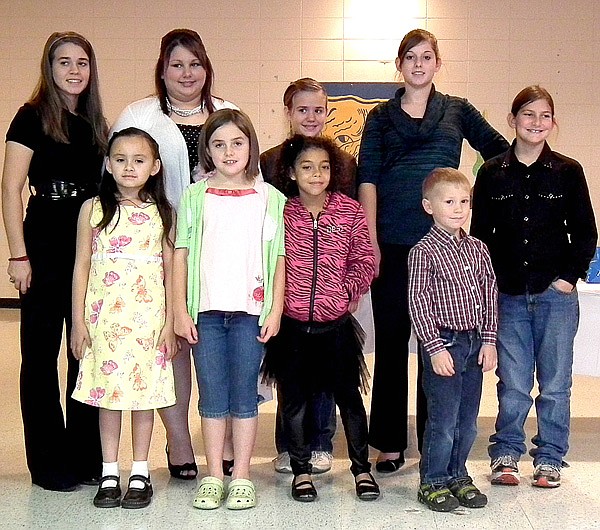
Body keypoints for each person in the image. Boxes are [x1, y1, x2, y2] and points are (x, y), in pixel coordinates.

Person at [357, 28, 509, 471]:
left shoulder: (458, 110)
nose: (418, 65)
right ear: (399, 65)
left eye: (427, 57)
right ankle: (388, 442)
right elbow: (367, 179)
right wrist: (370, 241)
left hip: (445, 249)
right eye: (410, 57)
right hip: (393, 242)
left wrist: (466, 198)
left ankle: (433, 444)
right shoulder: (381, 117)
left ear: (437, 63)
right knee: (389, 344)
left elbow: (500, 151)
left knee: (436, 345)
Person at [112, 28, 238, 479]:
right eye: (177, 64)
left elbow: (247, 177)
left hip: (218, 246)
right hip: (155, 245)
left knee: (210, 343)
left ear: (207, 68)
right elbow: (116, 178)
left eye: (195, 64)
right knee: (171, 345)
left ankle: (217, 442)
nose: (187, 73)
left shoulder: (227, 113)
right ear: (162, 70)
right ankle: (179, 441)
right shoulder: (139, 114)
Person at [471, 85, 597, 489]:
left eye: (545, 116)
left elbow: (584, 231)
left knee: (556, 383)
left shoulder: (568, 170)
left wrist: (567, 278)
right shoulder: (491, 172)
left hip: (554, 295)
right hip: (506, 296)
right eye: (528, 114)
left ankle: (549, 457)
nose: (536, 123)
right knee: (513, 383)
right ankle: (506, 452)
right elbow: (479, 235)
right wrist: (487, 286)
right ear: (513, 120)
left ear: (553, 123)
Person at [1, 31, 107, 491]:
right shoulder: (31, 117)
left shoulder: (95, 121)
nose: (74, 70)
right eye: (64, 62)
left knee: (85, 354)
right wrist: (18, 254)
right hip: (42, 240)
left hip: (88, 241)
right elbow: (10, 189)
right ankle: (47, 464)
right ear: (49, 67)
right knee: (41, 356)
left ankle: (84, 458)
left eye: (82, 62)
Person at [173, 108, 286, 510]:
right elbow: (181, 255)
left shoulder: (270, 197)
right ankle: (214, 475)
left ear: (251, 146)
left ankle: (241, 475)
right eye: (218, 144)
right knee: (212, 396)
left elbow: (278, 258)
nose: (228, 151)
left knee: (244, 396)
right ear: (207, 151)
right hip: (205, 314)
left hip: (249, 313)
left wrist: (275, 309)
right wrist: (179, 310)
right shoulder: (194, 196)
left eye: (237, 142)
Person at [263, 134, 379, 502]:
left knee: (349, 398)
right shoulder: (281, 212)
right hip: (294, 327)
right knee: (293, 400)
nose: (317, 174)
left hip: (336, 327)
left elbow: (364, 260)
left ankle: (361, 469)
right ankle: (301, 471)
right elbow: (268, 261)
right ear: (292, 173)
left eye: (324, 167)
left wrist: (346, 291)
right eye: (307, 167)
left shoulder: (349, 211)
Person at [71, 128, 177, 509]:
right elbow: (81, 266)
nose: (129, 167)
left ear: (155, 166)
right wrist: (78, 321)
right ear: (108, 164)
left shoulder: (163, 212)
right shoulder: (93, 209)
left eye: (139, 160)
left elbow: (171, 271)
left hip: (148, 323)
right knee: (109, 398)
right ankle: (110, 470)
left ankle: (140, 470)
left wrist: (170, 323)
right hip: (103, 322)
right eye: (120, 159)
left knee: (144, 397)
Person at [260, 77, 357, 475]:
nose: (311, 117)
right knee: (291, 369)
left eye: (318, 109)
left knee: (328, 371)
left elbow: (351, 223)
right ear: (288, 113)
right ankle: (289, 444)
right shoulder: (268, 161)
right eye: (302, 109)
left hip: (331, 287)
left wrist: (349, 282)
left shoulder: (344, 162)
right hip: (288, 286)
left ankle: (321, 442)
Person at [408, 168, 497, 512]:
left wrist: (489, 342)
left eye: (464, 201)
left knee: (467, 419)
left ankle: (458, 474)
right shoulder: (423, 252)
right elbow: (418, 302)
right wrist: (434, 348)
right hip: (445, 344)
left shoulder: (477, 249)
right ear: (428, 206)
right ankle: (433, 480)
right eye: (449, 202)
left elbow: (489, 295)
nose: (458, 208)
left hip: (475, 343)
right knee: (443, 420)